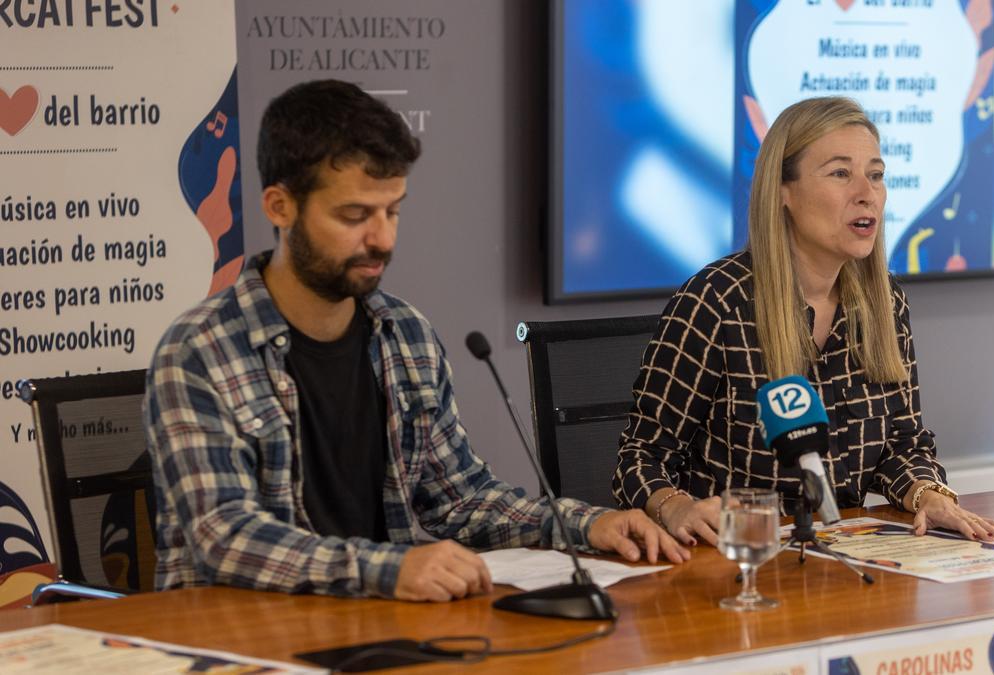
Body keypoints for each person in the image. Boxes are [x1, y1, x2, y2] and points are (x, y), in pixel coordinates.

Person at [144, 79, 686, 603]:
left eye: (393, 210)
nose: (382, 238)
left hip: (381, 628)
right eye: (354, 215)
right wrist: (388, 569)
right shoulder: (198, 351)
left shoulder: (405, 336)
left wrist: (588, 524)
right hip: (237, 644)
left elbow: (461, 499)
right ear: (279, 207)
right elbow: (227, 540)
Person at [613, 96, 994, 547]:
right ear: (783, 191)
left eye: (877, 175)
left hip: (844, 555)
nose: (867, 192)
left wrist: (929, 495)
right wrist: (677, 506)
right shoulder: (717, 300)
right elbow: (640, 456)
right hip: (733, 563)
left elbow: (902, 446)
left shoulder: (885, 302)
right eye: (841, 173)